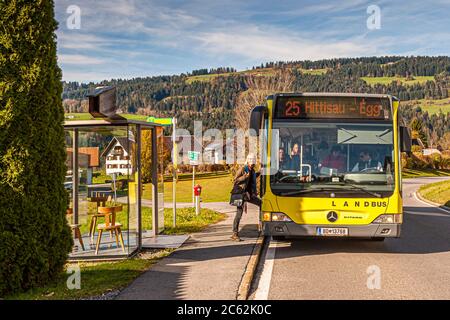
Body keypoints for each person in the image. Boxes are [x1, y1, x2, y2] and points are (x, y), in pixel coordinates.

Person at [230, 153, 261, 241]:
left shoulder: (252, 170)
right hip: (241, 194)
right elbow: (235, 180)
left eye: (253, 162)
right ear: (247, 161)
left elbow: (253, 177)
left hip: (249, 194)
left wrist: (260, 172)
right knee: (239, 213)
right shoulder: (243, 169)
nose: (252, 163)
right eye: (250, 161)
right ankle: (234, 233)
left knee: (261, 203)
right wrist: (244, 177)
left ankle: (261, 225)